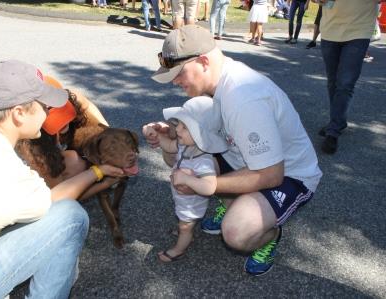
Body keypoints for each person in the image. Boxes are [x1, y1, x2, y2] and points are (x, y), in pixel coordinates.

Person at [145, 25, 322, 276]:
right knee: (178, 154)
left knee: (236, 232)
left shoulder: (243, 98)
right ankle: (231, 202)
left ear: (203, 61)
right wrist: (171, 132)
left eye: (179, 73)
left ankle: (270, 235)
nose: (174, 81)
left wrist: (205, 184)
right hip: (243, 158)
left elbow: (272, 175)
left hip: (289, 175)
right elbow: (207, 126)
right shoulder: (216, 82)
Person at [0, 60, 124, 298]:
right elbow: (55, 200)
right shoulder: (11, 173)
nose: (48, 112)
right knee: (71, 216)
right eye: (45, 105)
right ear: (18, 113)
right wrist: (99, 172)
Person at [144, 96, 227, 263]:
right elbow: (168, 145)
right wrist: (155, 134)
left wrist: (187, 180)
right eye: (179, 125)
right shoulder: (184, 145)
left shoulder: (204, 161)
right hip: (182, 199)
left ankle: (179, 249)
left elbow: (209, 187)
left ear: (201, 135)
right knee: (183, 221)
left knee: (185, 225)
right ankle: (186, 232)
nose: (178, 130)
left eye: (184, 128)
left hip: (192, 204)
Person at [315, 0, 381, 154]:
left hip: (359, 30)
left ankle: (333, 131)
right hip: (330, 29)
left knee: (345, 83)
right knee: (333, 82)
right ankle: (337, 121)